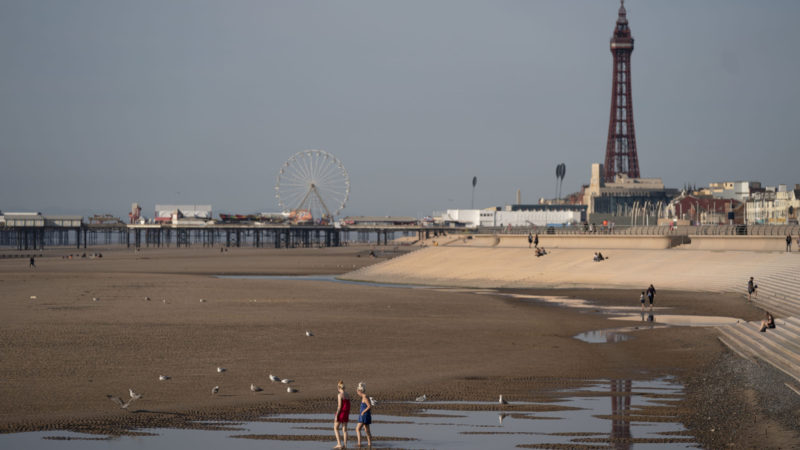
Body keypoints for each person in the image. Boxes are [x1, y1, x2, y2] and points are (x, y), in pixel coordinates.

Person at [355, 381, 373, 447]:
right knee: (367, 430)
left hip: (364, 415)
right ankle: (369, 444)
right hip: (366, 415)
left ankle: (359, 443)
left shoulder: (365, 397)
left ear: (360, 391)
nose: (357, 393)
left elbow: (369, 406)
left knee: (357, 429)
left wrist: (363, 412)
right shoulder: (364, 396)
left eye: (357, 391)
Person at [334, 380, 350, 449]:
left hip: (341, 413)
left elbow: (339, 406)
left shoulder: (339, 395)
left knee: (335, 428)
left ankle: (339, 443)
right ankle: (345, 445)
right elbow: (349, 405)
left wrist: (337, 415)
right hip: (346, 412)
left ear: (339, 388)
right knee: (345, 430)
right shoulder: (347, 394)